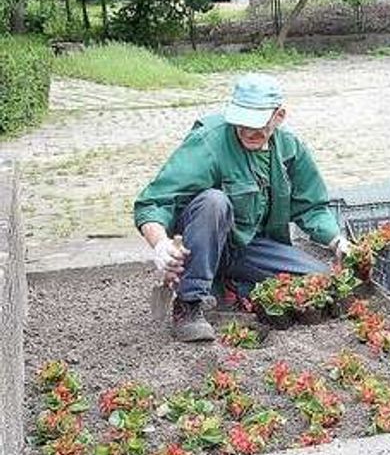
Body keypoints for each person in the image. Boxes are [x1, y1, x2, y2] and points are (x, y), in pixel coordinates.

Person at [134, 73, 350, 342]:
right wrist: (160, 244)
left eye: (257, 123)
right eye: (241, 122)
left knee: (323, 282)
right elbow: (153, 201)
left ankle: (232, 287)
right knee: (214, 201)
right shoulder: (209, 142)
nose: (248, 131)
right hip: (205, 247)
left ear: (278, 116)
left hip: (251, 249)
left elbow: (311, 207)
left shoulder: (290, 149)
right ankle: (189, 305)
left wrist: (336, 240)